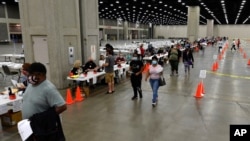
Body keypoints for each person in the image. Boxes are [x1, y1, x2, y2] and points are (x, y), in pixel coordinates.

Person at [22, 62, 67, 140]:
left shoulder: (48, 88)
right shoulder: (31, 85)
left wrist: (42, 117)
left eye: (31, 74)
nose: (29, 77)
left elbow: (62, 106)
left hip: (40, 127)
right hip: (28, 126)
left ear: (40, 74)